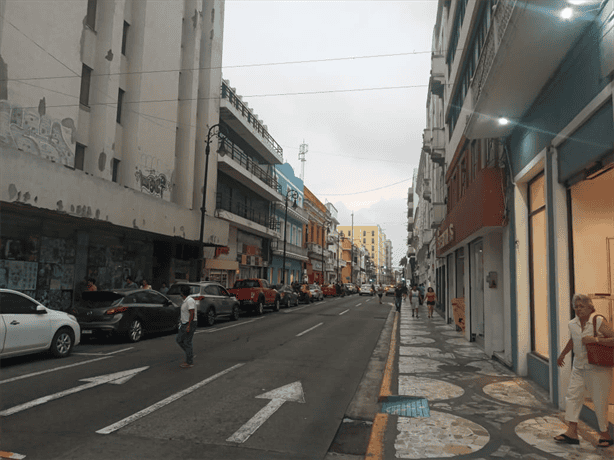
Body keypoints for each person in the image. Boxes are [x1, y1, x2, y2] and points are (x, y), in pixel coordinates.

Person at [554, 294, 614, 448]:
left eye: (582, 306)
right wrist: (562, 354)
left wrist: (595, 340)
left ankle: (604, 434)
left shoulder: (598, 321)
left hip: (598, 368)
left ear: (590, 308)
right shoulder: (572, 324)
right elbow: (573, 340)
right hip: (579, 367)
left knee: (600, 401)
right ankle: (571, 432)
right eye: (576, 306)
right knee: (572, 397)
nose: (578, 309)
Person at [176, 285, 197, 368]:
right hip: (184, 323)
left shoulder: (190, 301)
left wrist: (189, 325)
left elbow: (192, 313)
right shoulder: (186, 300)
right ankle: (190, 354)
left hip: (190, 323)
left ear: (182, 293)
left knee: (187, 342)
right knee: (179, 340)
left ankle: (189, 362)